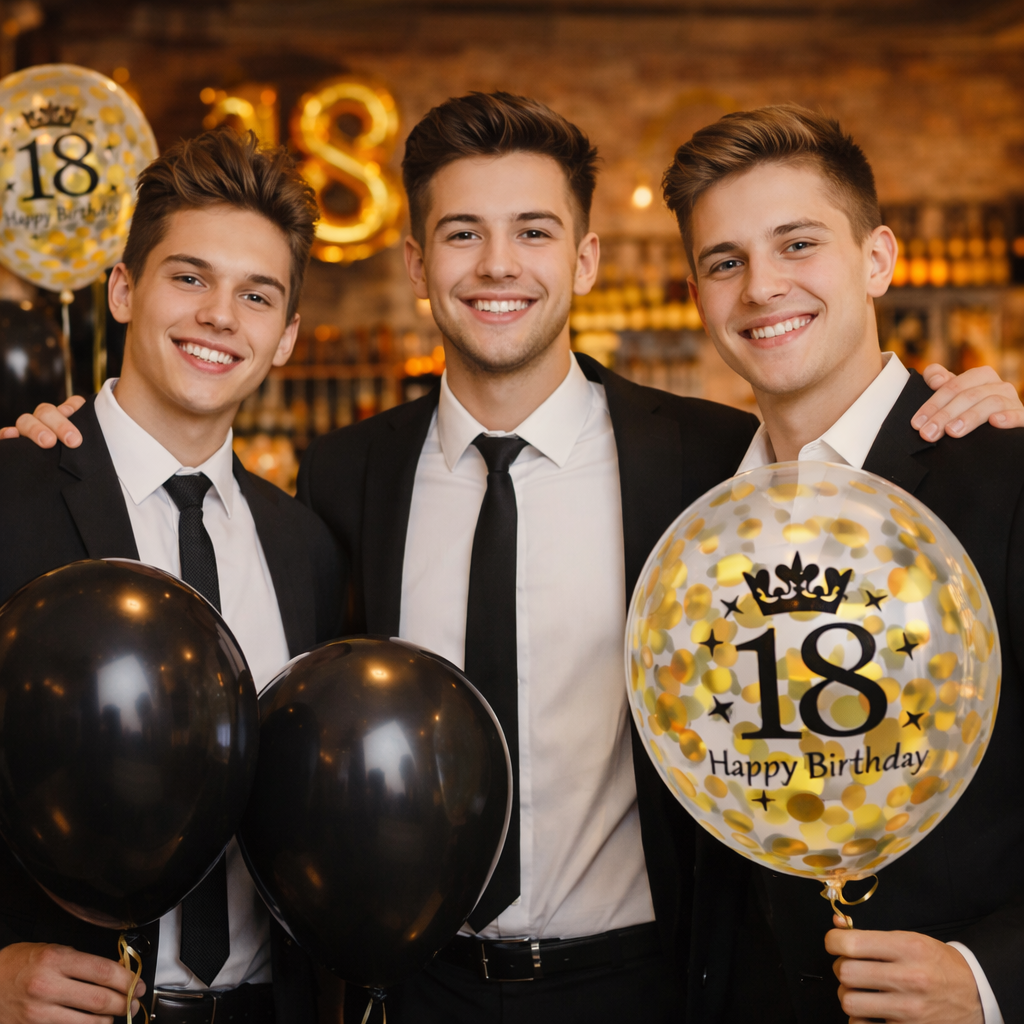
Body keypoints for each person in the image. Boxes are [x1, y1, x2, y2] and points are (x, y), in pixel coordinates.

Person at [11, 94, 1021, 1024]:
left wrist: (958, 407)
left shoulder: (714, 464)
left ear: (583, 260)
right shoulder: (342, 480)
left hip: (653, 986)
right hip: (410, 986)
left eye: (533, 231)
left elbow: (852, 466)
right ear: (418, 267)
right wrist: (64, 445)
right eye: (463, 234)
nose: (498, 265)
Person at [662, 103, 1023, 1024]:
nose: (761, 287)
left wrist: (991, 980)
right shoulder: (698, 520)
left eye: (798, 244)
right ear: (698, 294)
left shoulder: (1007, 473)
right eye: (725, 262)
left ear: (877, 259)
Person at [0, 127, 341, 1024]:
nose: (220, 315)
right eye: (190, 278)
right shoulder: (11, 493)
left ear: (286, 338)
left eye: (256, 295)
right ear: (123, 289)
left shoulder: (305, 544)